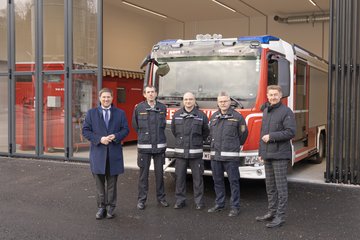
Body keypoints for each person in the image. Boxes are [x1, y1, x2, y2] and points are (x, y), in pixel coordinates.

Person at [82, 88, 129, 220]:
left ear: (112, 98)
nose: (106, 99)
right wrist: (99, 139)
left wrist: (116, 136)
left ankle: (111, 208)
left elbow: (126, 129)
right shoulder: (91, 113)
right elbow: (85, 131)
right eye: (104, 97)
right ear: (99, 98)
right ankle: (101, 207)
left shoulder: (120, 113)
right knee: (99, 185)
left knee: (112, 184)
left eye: (108, 97)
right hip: (98, 155)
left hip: (114, 155)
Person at [255, 85, 296, 228]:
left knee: (281, 187)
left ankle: (280, 216)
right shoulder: (266, 110)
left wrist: (272, 137)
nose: (273, 97)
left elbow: (291, 132)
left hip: (280, 155)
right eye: (270, 95)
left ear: (280, 96)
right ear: (267, 96)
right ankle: (271, 212)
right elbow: (262, 133)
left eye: (275, 95)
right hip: (267, 154)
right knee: (270, 186)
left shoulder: (286, 111)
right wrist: (261, 152)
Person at [208, 91, 248, 217]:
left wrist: (234, 146)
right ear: (218, 103)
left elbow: (243, 134)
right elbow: (210, 133)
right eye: (220, 101)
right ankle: (219, 204)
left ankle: (235, 207)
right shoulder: (214, 116)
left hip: (231, 157)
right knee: (217, 181)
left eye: (225, 101)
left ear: (230, 102)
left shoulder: (237, 117)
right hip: (216, 156)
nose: (223, 103)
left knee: (233, 182)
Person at [132, 85, 169, 210]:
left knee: (159, 175)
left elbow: (163, 126)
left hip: (159, 147)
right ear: (144, 94)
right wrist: (145, 136)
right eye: (148, 92)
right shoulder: (139, 108)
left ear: (156, 93)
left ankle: (161, 198)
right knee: (143, 176)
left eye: (153, 92)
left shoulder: (162, 107)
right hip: (144, 147)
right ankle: (141, 200)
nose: (151, 94)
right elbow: (135, 125)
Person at [171, 92, 209, 210]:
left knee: (198, 179)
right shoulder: (177, 115)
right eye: (186, 99)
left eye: (190, 99)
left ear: (194, 100)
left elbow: (206, 132)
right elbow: (174, 131)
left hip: (195, 153)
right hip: (181, 153)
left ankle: (199, 202)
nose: (188, 101)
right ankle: (180, 200)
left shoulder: (201, 115)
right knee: (180, 178)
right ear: (183, 101)